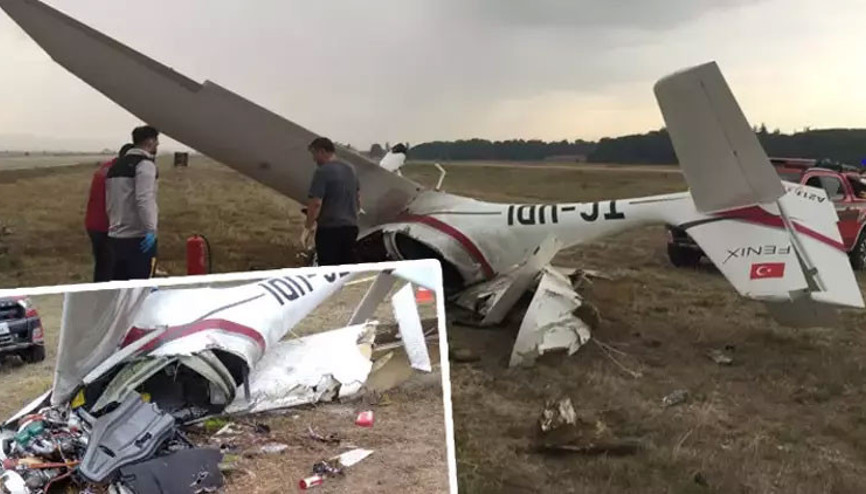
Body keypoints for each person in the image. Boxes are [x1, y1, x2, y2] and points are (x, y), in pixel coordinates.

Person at [106, 125, 160, 280]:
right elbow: (144, 198)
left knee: (119, 287)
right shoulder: (145, 165)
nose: (157, 145)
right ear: (150, 141)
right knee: (139, 287)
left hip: (115, 236)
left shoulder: (115, 166)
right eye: (156, 142)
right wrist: (151, 229)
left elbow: (111, 201)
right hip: (138, 237)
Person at [303, 137, 361, 266]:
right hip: (351, 228)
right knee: (346, 269)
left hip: (330, 230)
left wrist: (308, 227)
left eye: (314, 154)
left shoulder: (322, 171)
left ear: (322, 151)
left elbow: (316, 203)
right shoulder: (351, 169)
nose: (314, 159)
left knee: (328, 270)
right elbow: (357, 197)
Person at [85, 143, 134, 282]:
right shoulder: (121, 173)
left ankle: (98, 295)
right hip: (109, 226)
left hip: (93, 224)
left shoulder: (105, 168)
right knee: (111, 270)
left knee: (102, 266)